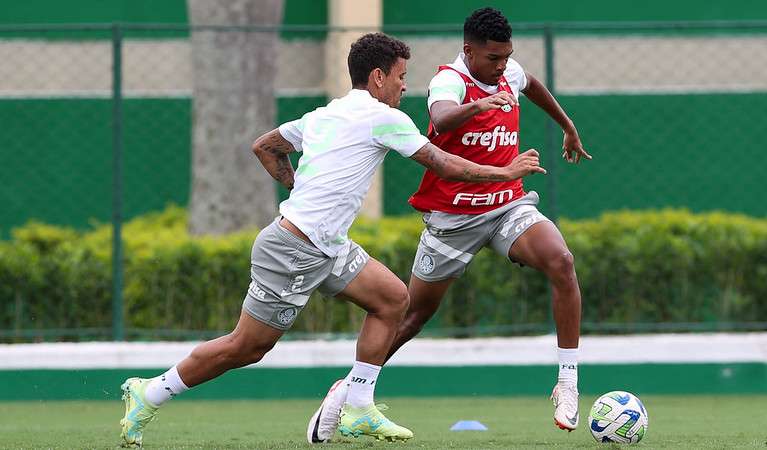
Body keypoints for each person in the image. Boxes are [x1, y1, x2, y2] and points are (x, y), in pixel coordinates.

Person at [118, 31, 545, 448]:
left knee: (393, 299)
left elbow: (266, 146)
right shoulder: (385, 117)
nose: (404, 85)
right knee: (247, 347)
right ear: (378, 77)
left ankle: (358, 407)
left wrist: (297, 191)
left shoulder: (325, 114)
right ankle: (151, 392)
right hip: (294, 250)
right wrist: (506, 174)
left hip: (327, 245)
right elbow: (444, 164)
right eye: (400, 76)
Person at [309, 8, 591, 442]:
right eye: (493, 58)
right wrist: (480, 104)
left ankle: (568, 385)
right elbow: (440, 118)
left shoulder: (508, 72)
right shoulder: (449, 81)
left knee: (562, 261)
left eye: (506, 57)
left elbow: (531, 84)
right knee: (412, 316)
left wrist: (567, 126)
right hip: (453, 219)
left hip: (505, 206)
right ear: (468, 52)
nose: (502, 66)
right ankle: (345, 390)